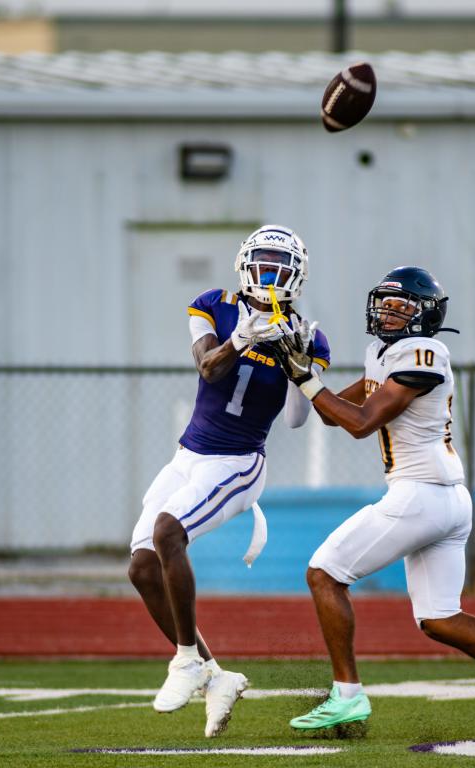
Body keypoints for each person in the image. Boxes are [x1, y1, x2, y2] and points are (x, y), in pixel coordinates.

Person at [266, 266, 475, 737]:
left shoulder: (423, 353)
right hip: (446, 499)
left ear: (426, 316)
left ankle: (347, 695)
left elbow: (361, 422)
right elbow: (335, 414)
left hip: (421, 495)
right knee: (439, 619)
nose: (388, 314)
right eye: (385, 305)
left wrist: (308, 379)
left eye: (401, 307)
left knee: (324, 573)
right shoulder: (385, 353)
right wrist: (301, 373)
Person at [128, 224, 331, 738]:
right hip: (188, 456)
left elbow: (293, 422)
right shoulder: (212, 304)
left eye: (280, 265)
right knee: (142, 568)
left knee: (168, 532)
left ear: (296, 275)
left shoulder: (308, 333)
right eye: (262, 261)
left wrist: (301, 369)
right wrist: (244, 336)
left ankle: (186, 660)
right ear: (245, 264)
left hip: (238, 463)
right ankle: (216, 676)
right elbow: (208, 368)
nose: (269, 273)